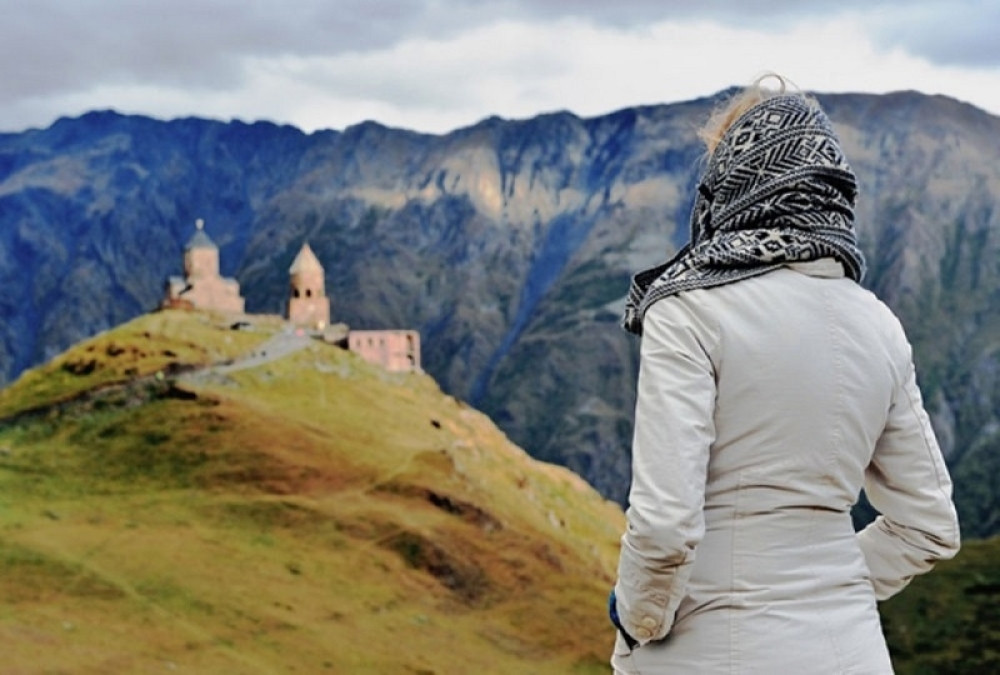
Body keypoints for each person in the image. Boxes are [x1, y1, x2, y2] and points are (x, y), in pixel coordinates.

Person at [609, 75, 961, 674]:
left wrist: (638, 616)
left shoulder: (687, 310)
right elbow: (928, 525)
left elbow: (666, 524)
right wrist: (829, 586)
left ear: (731, 184)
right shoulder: (879, 324)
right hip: (852, 654)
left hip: (708, 653)